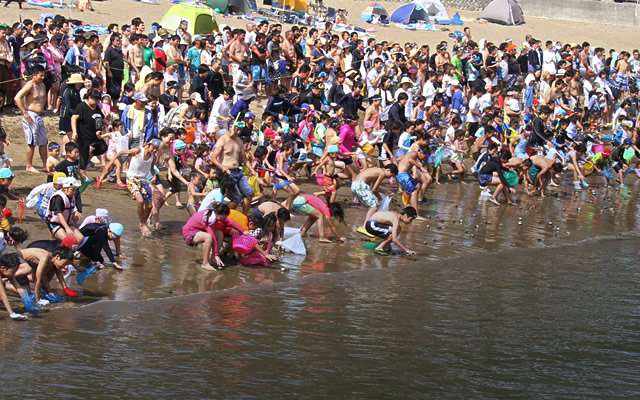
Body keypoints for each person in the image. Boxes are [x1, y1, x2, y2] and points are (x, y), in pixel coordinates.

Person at [14, 64, 48, 174]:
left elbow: (41, 99)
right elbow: (17, 98)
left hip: (39, 116)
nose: (42, 78)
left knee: (43, 141)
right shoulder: (29, 85)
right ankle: (29, 165)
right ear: (34, 75)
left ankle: (45, 165)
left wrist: (42, 109)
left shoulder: (42, 85)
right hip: (30, 115)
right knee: (32, 142)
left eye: (43, 75)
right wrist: (24, 112)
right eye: (40, 76)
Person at [71, 89, 107, 181]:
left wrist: (109, 123)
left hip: (95, 135)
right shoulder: (82, 106)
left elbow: (102, 118)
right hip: (83, 136)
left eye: (98, 100)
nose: (96, 102)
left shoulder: (96, 107)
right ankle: (83, 177)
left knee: (103, 147)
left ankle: (90, 155)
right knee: (83, 157)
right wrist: (74, 132)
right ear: (89, 98)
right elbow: (74, 118)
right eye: (95, 100)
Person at [352, 164, 398, 235]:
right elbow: (374, 190)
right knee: (374, 206)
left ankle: (368, 226)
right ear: (388, 170)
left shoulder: (377, 170)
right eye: (391, 175)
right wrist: (380, 198)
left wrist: (385, 192)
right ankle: (364, 227)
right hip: (361, 186)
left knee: (373, 206)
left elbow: (374, 187)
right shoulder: (382, 173)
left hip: (355, 185)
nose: (390, 177)